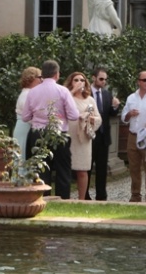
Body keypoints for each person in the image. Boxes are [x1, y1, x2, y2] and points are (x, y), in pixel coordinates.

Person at [21, 60, 80, 199]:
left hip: (38, 133)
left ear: (43, 74)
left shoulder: (33, 92)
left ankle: (41, 197)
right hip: (59, 133)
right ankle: (63, 199)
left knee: (41, 168)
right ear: (57, 74)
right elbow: (74, 115)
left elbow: (25, 117)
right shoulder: (63, 91)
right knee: (63, 170)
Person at [121, 70, 146, 202]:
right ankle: (135, 194)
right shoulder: (131, 98)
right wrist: (129, 114)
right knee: (134, 167)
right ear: (138, 82)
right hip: (133, 135)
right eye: (145, 80)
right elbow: (124, 118)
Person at [65, 71, 101, 202]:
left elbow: (98, 118)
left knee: (83, 170)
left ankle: (81, 199)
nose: (80, 82)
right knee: (67, 169)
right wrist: (72, 91)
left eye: (82, 80)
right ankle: (65, 197)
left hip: (84, 138)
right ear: (71, 82)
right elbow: (60, 106)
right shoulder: (68, 96)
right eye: (76, 80)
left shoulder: (90, 100)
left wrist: (90, 118)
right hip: (69, 136)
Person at [88, 66, 120, 200]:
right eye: (101, 79)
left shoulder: (107, 94)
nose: (103, 82)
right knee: (87, 167)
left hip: (103, 137)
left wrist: (115, 106)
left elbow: (111, 114)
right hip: (88, 137)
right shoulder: (86, 93)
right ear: (93, 78)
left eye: (105, 80)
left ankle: (101, 195)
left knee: (102, 168)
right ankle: (85, 194)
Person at [12, 67, 42, 162]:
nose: (42, 80)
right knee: (22, 156)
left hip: (27, 127)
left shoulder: (30, 93)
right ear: (32, 78)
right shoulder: (27, 94)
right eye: (39, 77)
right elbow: (29, 115)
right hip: (25, 128)